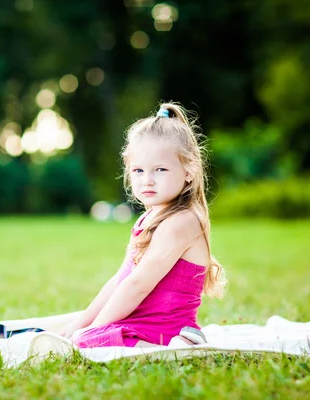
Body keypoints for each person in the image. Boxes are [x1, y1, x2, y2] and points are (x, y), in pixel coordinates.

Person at [60, 102, 226, 348]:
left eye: (160, 169)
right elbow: (123, 279)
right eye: (138, 170)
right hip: (141, 322)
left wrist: (93, 331)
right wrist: (84, 322)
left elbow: (139, 285)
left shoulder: (182, 221)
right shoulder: (149, 217)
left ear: (189, 171)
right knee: (73, 330)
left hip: (164, 328)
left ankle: (185, 342)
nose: (147, 180)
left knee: (89, 341)